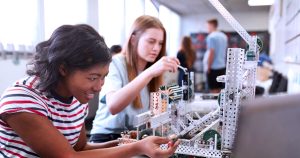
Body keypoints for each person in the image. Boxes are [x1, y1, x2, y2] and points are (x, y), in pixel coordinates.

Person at [0, 24, 179, 158]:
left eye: (103, 77)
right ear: (63, 68)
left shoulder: (77, 98)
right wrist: (137, 148)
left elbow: (80, 149)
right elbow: (68, 157)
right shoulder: (23, 99)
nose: (99, 86)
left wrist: (128, 142)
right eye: (93, 78)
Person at [90, 15, 180, 143]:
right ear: (133, 39)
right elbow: (113, 106)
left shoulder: (153, 73)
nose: (156, 48)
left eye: (160, 43)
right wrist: (150, 72)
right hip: (107, 138)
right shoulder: (115, 63)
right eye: (151, 41)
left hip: (136, 137)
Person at [205, 18, 228, 93]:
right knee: (219, 90)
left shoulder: (211, 37)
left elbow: (212, 52)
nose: (207, 28)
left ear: (212, 25)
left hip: (213, 67)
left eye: (208, 26)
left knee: (213, 90)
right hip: (222, 66)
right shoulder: (224, 36)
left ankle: (214, 105)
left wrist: (208, 67)